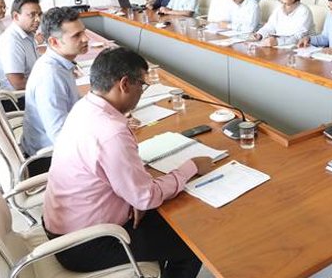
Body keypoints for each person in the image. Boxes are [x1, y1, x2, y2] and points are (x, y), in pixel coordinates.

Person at [43, 47, 213, 277]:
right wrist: (191, 167)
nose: (142, 91)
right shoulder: (111, 132)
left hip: (68, 225)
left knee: (170, 221)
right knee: (193, 243)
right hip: (85, 243)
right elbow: (146, 197)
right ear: (124, 84)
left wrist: (134, 196)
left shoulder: (85, 106)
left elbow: (131, 189)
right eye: (142, 84)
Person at [21, 7, 89, 176]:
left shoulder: (59, 63)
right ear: (54, 42)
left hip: (59, 146)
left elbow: (74, 105)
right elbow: (60, 136)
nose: (85, 39)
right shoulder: (50, 76)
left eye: (84, 32)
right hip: (49, 160)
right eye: (76, 36)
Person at [0, 0, 41, 91]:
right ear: (16, 16)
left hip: (33, 88)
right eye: (32, 15)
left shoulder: (27, 34)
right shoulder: (11, 41)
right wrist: (49, 82)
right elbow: (18, 83)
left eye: (39, 15)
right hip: (20, 96)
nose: (38, 19)